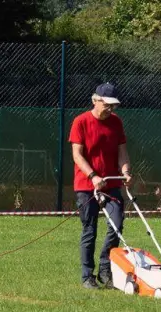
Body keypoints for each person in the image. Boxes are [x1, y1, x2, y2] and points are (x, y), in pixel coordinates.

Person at [69, 82, 132, 289]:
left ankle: (106, 270)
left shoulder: (116, 122)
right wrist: (93, 176)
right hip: (86, 185)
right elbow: (77, 155)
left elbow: (122, 151)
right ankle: (88, 276)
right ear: (95, 100)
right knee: (90, 230)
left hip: (112, 183)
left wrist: (125, 172)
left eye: (113, 105)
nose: (111, 109)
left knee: (117, 224)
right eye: (107, 104)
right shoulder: (81, 122)